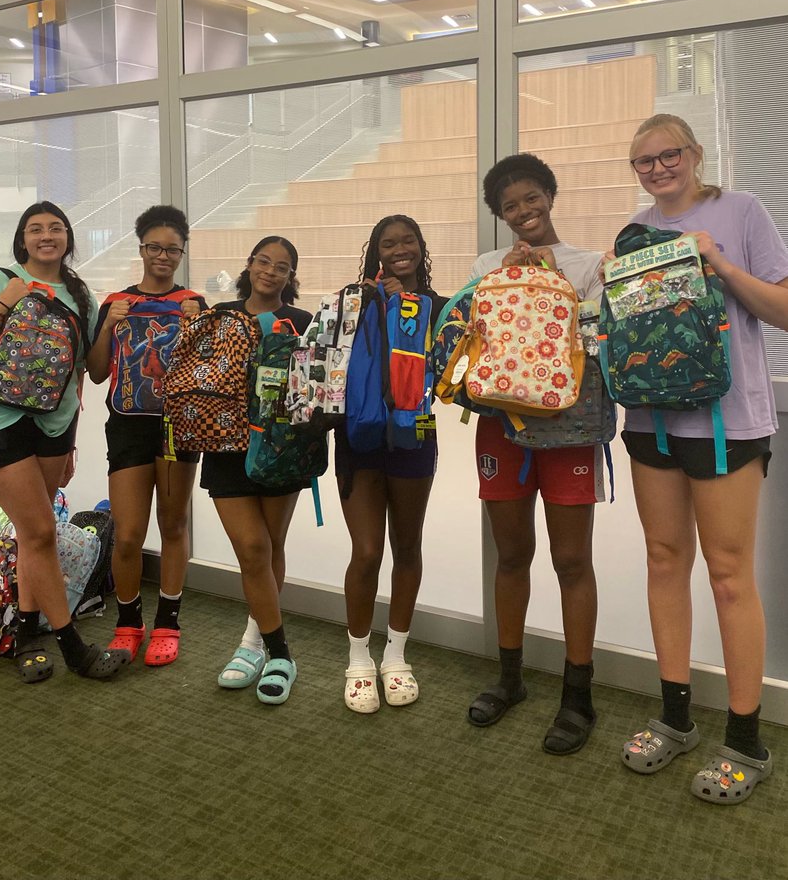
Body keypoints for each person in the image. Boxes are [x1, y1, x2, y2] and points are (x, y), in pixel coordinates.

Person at [617, 114, 788, 805]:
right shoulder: (633, 228)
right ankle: (676, 716)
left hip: (728, 423)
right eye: (644, 162)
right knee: (664, 561)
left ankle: (745, 740)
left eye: (668, 156)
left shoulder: (742, 211)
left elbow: (782, 309)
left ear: (694, 154)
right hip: (650, 420)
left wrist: (715, 260)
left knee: (727, 577)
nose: (658, 170)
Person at [0, 201, 129, 682]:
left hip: (53, 425)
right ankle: (74, 648)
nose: (45, 235)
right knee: (41, 532)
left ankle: (25, 635)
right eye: (35, 229)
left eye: (55, 228)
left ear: (68, 237)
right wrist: (4, 303)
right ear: (22, 238)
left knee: (35, 534)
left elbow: (89, 372)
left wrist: (108, 325)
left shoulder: (79, 294)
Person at [466, 154, 606, 753]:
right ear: (500, 215)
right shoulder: (484, 265)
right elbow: (474, 339)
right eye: (510, 206)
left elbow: (598, 343)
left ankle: (578, 695)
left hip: (569, 427)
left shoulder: (590, 265)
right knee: (511, 554)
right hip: (501, 423)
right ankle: (510, 677)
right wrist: (506, 281)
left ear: (550, 195)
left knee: (571, 561)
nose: (524, 212)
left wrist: (555, 283)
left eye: (531, 198)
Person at [87, 205, 204, 667]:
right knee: (130, 534)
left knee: (173, 525)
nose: (163, 255)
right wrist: (111, 326)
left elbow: (208, 374)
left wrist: (196, 328)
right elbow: (97, 373)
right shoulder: (116, 302)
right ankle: (128, 623)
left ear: (181, 253)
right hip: (128, 427)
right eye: (154, 247)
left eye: (172, 249)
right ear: (140, 249)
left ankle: (169, 623)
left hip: (179, 427)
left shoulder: (194, 302)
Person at [336, 214, 444, 714]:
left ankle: (395, 655)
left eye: (408, 241)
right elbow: (326, 362)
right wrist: (367, 305)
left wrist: (409, 311)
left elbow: (450, 376)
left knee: (408, 543)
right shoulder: (355, 300)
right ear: (375, 252)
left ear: (421, 248)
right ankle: (359, 658)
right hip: (358, 438)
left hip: (413, 437)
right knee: (366, 552)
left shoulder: (437, 308)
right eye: (388, 243)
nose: (399, 249)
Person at [202, 235, 315, 705]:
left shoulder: (304, 322)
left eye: (282, 266)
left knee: (271, 546)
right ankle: (279, 651)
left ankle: (252, 644)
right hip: (226, 443)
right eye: (263, 261)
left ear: (291, 276)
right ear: (249, 265)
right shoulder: (221, 315)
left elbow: (315, 384)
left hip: (280, 448)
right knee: (250, 547)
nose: (271, 271)